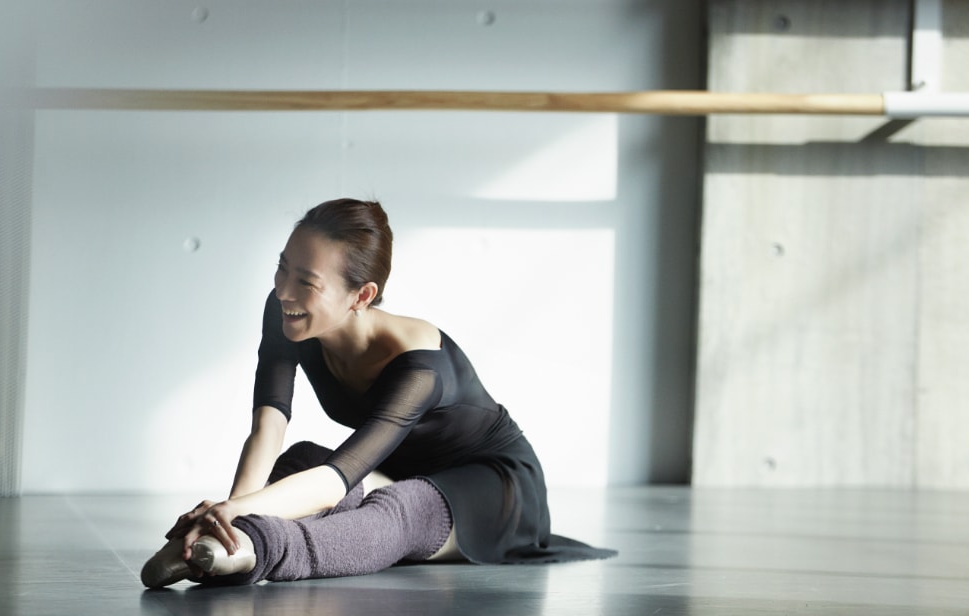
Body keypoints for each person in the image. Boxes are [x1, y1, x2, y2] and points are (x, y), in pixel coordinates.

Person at [141, 199, 614, 589]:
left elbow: (335, 482)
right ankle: (219, 545)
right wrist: (227, 514)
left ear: (362, 296)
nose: (284, 290)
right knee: (302, 459)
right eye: (282, 268)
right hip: (402, 471)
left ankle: (253, 551)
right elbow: (268, 427)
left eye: (306, 282)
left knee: (399, 512)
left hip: (494, 487)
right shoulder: (287, 312)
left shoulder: (420, 366)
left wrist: (238, 512)